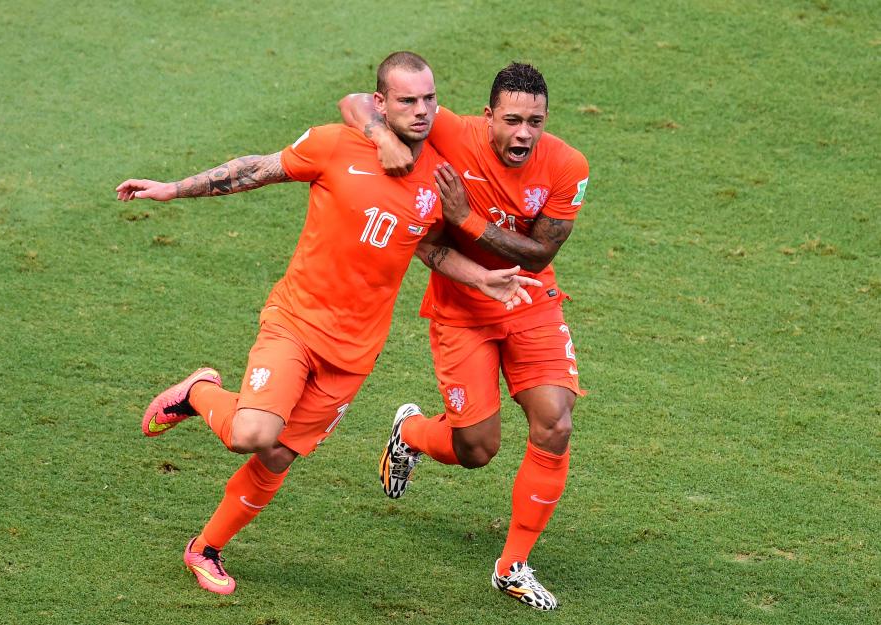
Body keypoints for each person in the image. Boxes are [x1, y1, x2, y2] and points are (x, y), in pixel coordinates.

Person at [115, 52, 542, 596]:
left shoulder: (441, 176)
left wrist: (481, 279)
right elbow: (257, 169)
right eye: (407, 100)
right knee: (251, 434)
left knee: (277, 456)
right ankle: (199, 391)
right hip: (296, 322)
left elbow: (430, 248)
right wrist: (173, 188)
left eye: (429, 99)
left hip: (355, 352)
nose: (422, 111)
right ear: (380, 103)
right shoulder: (335, 144)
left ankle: (205, 549)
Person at [338, 61, 590, 611]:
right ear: (488, 116)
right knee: (477, 449)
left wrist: (468, 220)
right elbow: (356, 101)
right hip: (462, 310)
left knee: (556, 423)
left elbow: (539, 254)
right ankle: (411, 432)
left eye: (536, 122)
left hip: (529, 300)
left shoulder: (568, 166)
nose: (523, 134)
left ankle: (512, 566)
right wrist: (383, 138)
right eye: (512, 121)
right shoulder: (451, 131)